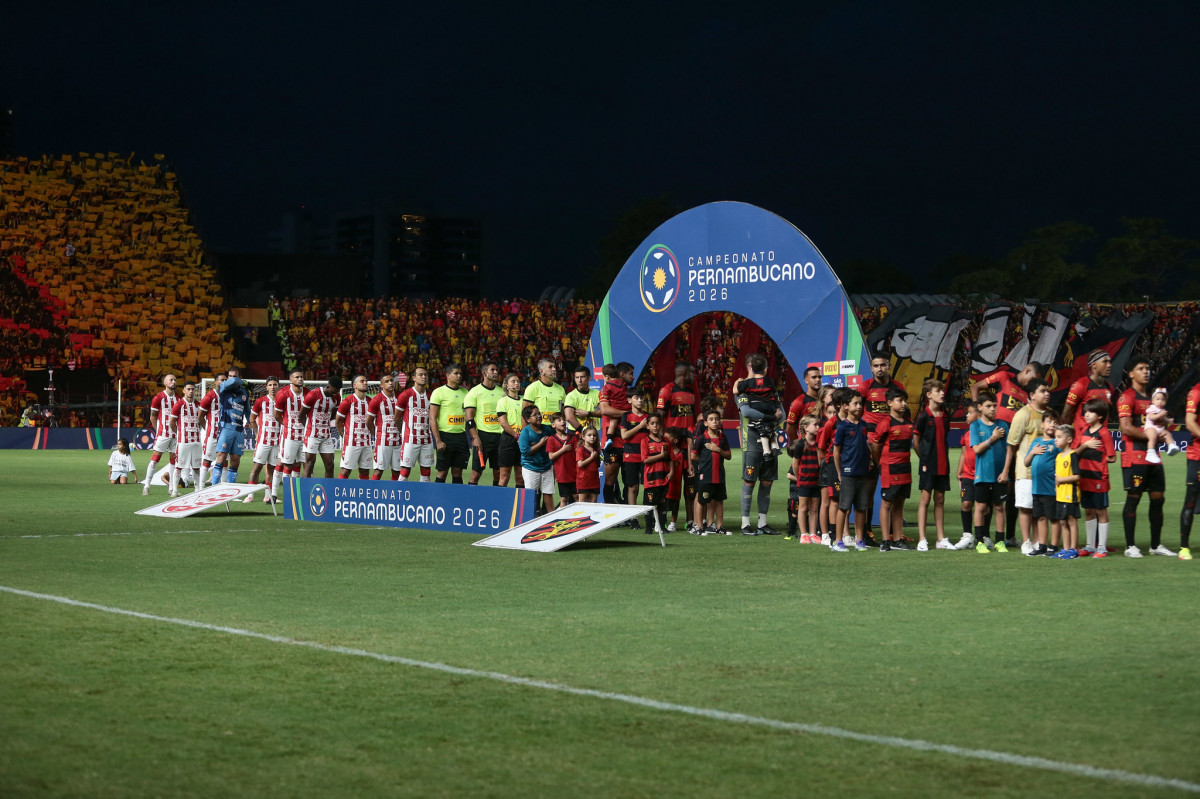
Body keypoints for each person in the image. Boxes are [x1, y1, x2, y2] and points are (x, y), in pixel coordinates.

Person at [1117, 360, 1175, 557]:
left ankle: (1156, 545)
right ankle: (1130, 546)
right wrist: (1154, 436)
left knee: (1158, 499)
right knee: (1134, 498)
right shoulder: (1127, 397)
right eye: (1140, 369)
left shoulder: (1152, 399)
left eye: (1148, 368)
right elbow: (1126, 427)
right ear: (1131, 374)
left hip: (1154, 457)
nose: (1146, 372)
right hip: (1135, 457)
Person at [732, 354, 782, 535]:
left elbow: (781, 412)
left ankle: (762, 523)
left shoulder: (767, 388)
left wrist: (773, 421)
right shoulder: (743, 389)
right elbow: (746, 412)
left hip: (768, 437)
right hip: (752, 443)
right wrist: (771, 418)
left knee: (767, 482)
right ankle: (745, 524)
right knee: (749, 481)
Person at [859, 355, 906, 537]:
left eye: (883, 365)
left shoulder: (897, 387)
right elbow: (856, 409)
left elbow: (904, 412)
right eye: (876, 366)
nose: (880, 368)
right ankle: (868, 529)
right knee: (870, 485)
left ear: (889, 366)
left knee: (895, 486)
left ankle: (895, 532)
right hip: (871, 442)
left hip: (892, 442)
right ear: (871, 368)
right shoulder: (866, 387)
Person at [1007, 379, 1052, 555]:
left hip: (1045, 473)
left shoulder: (1050, 415)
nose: (1047, 393)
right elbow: (1012, 443)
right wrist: (1009, 469)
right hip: (1025, 470)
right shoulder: (1023, 414)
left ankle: (1037, 542)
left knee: (1039, 508)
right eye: (1042, 391)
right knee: (1026, 507)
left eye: (1048, 391)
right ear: (1032, 395)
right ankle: (1026, 541)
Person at [869, 387, 914, 552]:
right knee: (887, 504)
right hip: (890, 468)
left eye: (904, 400)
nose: (903, 404)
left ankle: (897, 539)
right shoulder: (885, 423)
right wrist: (879, 463)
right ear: (889, 403)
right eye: (899, 400)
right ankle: (885, 541)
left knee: (900, 504)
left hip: (905, 468)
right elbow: (875, 446)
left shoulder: (909, 422)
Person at [657, 361, 699, 528]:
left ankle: (690, 521)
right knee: (671, 488)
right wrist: (663, 440)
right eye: (692, 373)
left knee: (690, 486)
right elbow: (659, 415)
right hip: (672, 446)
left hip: (687, 447)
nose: (693, 376)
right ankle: (665, 521)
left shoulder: (690, 393)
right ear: (684, 373)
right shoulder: (667, 390)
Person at [969, 391, 1012, 553]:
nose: (993, 409)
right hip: (982, 474)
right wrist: (993, 438)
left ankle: (1000, 541)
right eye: (988, 406)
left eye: (994, 406)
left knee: (999, 507)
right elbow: (977, 449)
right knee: (980, 507)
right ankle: (980, 541)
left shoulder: (1003, 425)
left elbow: (1009, 451)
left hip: (999, 475)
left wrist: (1006, 471)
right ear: (980, 407)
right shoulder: (975, 426)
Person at [915, 379, 953, 551]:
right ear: (929, 394)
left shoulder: (946, 415)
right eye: (938, 391)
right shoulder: (923, 416)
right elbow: (916, 440)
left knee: (940, 499)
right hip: (928, 464)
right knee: (925, 499)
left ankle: (940, 539)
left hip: (943, 463)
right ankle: (922, 539)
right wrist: (924, 458)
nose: (942, 393)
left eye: (942, 390)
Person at [833, 390, 872, 551]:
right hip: (848, 473)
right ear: (845, 406)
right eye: (855, 404)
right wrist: (839, 472)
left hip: (863, 472)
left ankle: (860, 540)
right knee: (844, 507)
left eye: (860, 403)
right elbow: (836, 451)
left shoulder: (863, 425)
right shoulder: (842, 426)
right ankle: (838, 541)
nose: (858, 406)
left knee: (861, 507)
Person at [1077, 398, 1116, 558]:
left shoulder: (1104, 433)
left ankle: (1102, 548)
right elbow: (1076, 453)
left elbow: (1112, 457)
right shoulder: (1084, 431)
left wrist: (1099, 459)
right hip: (1084, 478)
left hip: (1099, 478)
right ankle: (1090, 546)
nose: (1086, 415)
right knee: (1088, 511)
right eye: (1085, 411)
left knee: (1101, 511)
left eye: (1090, 412)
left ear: (1099, 415)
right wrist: (1085, 447)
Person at [1024, 413, 1062, 557]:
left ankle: (1053, 545)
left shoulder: (1056, 443)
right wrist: (1033, 452)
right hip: (1036, 487)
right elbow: (1026, 462)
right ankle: (1042, 545)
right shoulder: (1036, 442)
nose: (1052, 424)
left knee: (1053, 518)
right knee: (1040, 517)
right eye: (1049, 421)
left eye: (1054, 422)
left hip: (1050, 487)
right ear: (1042, 425)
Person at [464, 361, 505, 485]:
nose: (496, 372)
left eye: (496, 370)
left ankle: (496, 500)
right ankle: (471, 500)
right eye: (492, 370)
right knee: (476, 473)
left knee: (499, 473)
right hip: (483, 436)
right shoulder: (474, 392)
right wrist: (474, 437)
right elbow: (469, 418)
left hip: (501, 437)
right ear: (484, 373)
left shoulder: (502, 393)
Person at [733, 354, 782, 457]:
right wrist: (772, 418)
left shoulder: (745, 385)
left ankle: (767, 451)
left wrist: (736, 382)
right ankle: (774, 446)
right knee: (769, 428)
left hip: (756, 425)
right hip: (751, 445)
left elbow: (735, 391)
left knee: (762, 427)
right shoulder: (770, 382)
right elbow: (781, 415)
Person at [692, 409, 731, 535]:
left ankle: (719, 527)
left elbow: (728, 455)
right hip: (706, 475)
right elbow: (694, 456)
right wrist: (703, 464)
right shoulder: (701, 439)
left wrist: (718, 449)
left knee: (719, 501)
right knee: (702, 501)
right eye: (711, 419)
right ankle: (699, 527)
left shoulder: (723, 438)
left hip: (719, 475)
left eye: (716, 419)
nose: (714, 422)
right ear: (705, 423)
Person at [210, 368, 251, 485]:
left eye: (235, 376)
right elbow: (232, 382)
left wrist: (254, 427)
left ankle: (230, 490)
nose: (232, 378)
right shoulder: (223, 388)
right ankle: (214, 487)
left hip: (239, 430)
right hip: (226, 427)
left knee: (235, 460)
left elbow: (248, 412)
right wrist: (243, 382)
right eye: (230, 376)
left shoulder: (244, 392)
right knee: (221, 456)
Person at [430, 363, 470, 484]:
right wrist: (438, 440)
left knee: (458, 471)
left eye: (460, 374)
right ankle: (437, 499)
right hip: (445, 436)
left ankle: (457, 500)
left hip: (461, 436)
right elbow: (433, 418)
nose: (459, 376)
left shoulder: (466, 392)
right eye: (456, 373)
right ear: (448, 375)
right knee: (443, 471)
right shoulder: (438, 392)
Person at [1062, 349, 1116, 439]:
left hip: (1101, 442)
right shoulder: (1080, 385)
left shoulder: (1109, 388)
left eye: (1109, 362)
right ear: (1094, 365)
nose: (1109, 365)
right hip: (1082, 441)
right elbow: (1066, 416)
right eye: (1105, 362)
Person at [243, 377, 281, 501]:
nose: (273, 387)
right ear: (266, 387)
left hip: (276, 442)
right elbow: (252, 418)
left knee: (271, 469)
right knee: (256, 468)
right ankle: (250, 495)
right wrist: (257, 432)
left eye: (275, 384)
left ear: (278, 386)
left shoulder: (283, 401)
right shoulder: (260, 401)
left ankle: (267, 496)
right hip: (263, 441)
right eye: (270, 385)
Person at [786, 415, 821, 542]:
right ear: (806, 428)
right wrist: (799, 477)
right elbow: (795, 464)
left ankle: (813, 534)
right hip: (805, 481)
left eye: (818, 425)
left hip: (816, 481)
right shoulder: (800, 444)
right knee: (803, 507)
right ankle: (804, 534)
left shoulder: (818, 443)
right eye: (815, 425)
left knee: (814, 508)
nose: (818, 427)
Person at [141, 373, 178, 496]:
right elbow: (153, 417)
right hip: (162, 434)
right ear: (165, 383)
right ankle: (146, 486)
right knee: (155, 459)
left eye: (175, 380)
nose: (173, 382)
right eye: (171, 380)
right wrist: (158, 431)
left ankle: (171, 488)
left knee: (173, 461)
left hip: (175, 435)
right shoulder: (158, 398)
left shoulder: (178, 399)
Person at [272, 369, 306, 498]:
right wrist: (287, 425)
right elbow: (276, 415)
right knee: (285, 462)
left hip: (304, 435)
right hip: (289, 434)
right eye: (297, 377)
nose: (300, 379)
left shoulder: (307, 393)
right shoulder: (283, 394)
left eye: (301, 377)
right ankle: (276, 494)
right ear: (291, 380)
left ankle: (295, 493)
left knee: (300, 463)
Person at [395, 367, 434, 482]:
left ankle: (424, 496)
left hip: (427, 439)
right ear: (413, 378)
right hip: (410, 439)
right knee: (405, 471)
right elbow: (397, 417)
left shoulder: (431, 395)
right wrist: (403, 432)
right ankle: (400, 496)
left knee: (426, 472)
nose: (424, 377)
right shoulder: (406, 395)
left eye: (425, 375)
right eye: (420, 374)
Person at [299, 376, 341, 478]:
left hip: (326, 435)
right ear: (328, 387)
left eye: (336, 392)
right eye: (333, 392)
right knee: (309, 464)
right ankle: (306, 492)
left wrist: (324, 423)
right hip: (312, 434)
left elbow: (333, 414)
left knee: (330, 465)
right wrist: (308, 428)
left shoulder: (337, 397)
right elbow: (301, 414)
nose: (334, 394)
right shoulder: (313, 395)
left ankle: (328, 491)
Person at [619, 391, 650, 526]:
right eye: (636, 397)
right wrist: (640, 426)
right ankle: (634, 518)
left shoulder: (648, 417)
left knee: (648, 486)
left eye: (641, 397)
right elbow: (624, 436)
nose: (640, 400)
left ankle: (650, 515)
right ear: (629, 400)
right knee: (632, 486)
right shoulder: (626, 416)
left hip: (647, 456)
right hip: (630, 455)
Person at [1051, 425, 1082, 558]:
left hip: (1071, 494)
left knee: (1071, 521)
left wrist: (1061, 480)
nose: (1055, 440)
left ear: (1069, 439)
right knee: (1062, 521)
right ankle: (1066, 548)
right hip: (1060, 494)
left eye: (1059, 437)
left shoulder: (1072, 455)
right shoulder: (1058, 456)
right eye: (1055, 437)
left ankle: (1073, 549)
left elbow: (1077, 476)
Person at [169, 381, 204, 498]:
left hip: (196, 442)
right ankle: (174, 490)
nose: (191, 391)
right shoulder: (179, 405)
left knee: (196, 467)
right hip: (183, 442)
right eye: (188, 389)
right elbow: (172, 423)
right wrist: (179, 433)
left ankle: (197, 489)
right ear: (183, 390)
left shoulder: (199, 405)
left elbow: (202, 421)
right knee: (178, 466)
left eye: (193, 389)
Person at [518, 405, 555, 513]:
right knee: (531, 494)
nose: (539, 416)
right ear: (528, 419)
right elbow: (525, 452)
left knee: (548, 493)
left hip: (546, 467)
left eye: (539, 413)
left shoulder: (547, 429)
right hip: (530, 468)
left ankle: (551, 517)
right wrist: (540, 444)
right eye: (535, 415)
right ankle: (529, 517)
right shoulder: (525, 432)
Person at [641, 412, 673, 535]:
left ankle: (662, 527)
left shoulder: (666, 442)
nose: (655, 426)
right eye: (652, 423)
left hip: (664, 477)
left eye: (658, 423)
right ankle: (648, 528)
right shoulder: (645, 441)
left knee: (662, 503)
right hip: (651, 478)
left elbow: (670, 458)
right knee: (649, 504)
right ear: (647, 426)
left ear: (661, 425)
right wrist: (660, 456)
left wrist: (671, 472)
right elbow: (645, 460)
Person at [336, 374, 373, 479]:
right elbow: (338, 421)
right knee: (346, 470)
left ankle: (363, 494)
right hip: (352, 441)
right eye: (362, 381)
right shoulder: (348, 401)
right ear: (355, 385)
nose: (365, 383)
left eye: (366, 381)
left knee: (365, 470)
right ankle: (338, 493)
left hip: (366, 442)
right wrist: (345, 436)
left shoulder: (370, 401)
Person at [1179, 379, 1200, 561]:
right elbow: (1190, 422)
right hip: (1198, 455)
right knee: (1191, 500)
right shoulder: (1196, 391)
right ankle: (1184, 548)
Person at [367, 372, 401, 480]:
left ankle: (395, 494)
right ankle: (372, 495)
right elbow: (369, 421)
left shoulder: (400, 397)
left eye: (391, 380)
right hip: (383, 441)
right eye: (387, 381)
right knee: (378, 471)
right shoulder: (376, 400)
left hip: (399, 440)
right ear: (381, 385)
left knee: (397, 471)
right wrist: (377, 434)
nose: (390, 383)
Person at [955, 401, 980, 549]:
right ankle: (967, 535)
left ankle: (983, 536)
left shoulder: (984, 433)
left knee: (984, 507)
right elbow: (964, 453)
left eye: (970, 412)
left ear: (979, 414)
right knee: (966, 503)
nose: (967, 415)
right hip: (968, 475)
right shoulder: (966, 435)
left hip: (982, 475)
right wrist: (959, 472)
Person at [494, 372, 525, 488]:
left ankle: (519, 505)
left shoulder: (524, 401)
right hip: (508, 439)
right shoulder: (502, 401)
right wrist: (516, 436)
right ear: (506, 385)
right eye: (513, 381)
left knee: (520, 478)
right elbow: (503, 423)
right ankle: (500, 505)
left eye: (518, 381)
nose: (516, 383)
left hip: (523, 439)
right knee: (504, 477)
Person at [196, 371, 223, 489]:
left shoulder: (228, 396)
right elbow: (200, 416)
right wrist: (207, 429)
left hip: (224, 434)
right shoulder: (209, 396)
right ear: (216, 382)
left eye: (226, 380)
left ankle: (224, 487)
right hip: (212, 434)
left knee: (224, 462)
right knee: (207, 460)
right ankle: (201, 488)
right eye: (222, 380)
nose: (224, 382)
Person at [545, 412, 578, 507]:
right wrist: (563, 450)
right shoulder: (551, 439)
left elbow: (578, 453)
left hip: (574, 473)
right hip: (562, 475)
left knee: (576, 497)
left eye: (564, 420)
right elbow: (551, 456)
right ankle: (562, 519)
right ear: (553, 425)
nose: (563, 422)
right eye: (559, 420)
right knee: (564, 498)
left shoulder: (573, 438)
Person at [663, 426, 692, 532]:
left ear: (675, 440)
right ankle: (662, 522)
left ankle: (673, 523)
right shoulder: (664, 453)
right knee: (664, 504)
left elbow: (685, 468)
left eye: (667, 438)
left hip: (676, 486)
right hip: (665, 484)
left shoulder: (681, 454)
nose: (665, 440)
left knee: (675, 505)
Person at [784, 366, 824, 442]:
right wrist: (797, 444)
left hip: (823, 444)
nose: (818, 380)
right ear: (806, 380)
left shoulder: (825, 399)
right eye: (814, 377)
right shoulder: (799, 402)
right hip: (806, 446)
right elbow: (790, 427)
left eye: (819, 377)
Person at [1142, 387, 1181, 463]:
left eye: (1162, 400)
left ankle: (1171, 446)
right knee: (1152, 436)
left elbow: (1164, 420)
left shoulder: (1162, 410)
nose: (1160, 401)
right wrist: (1160, 415)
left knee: (1167, 433)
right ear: (1152, 401)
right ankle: (1150, 452)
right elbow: (1152, 417)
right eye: (1158, 399)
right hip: (1150, 428)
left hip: (1160, 429)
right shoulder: (1152, 408)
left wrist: (1168, 420)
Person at [565, 364, 602, 433]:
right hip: (576, 432)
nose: (579, 380)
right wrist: (583, 431)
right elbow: (569, 417)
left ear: (589, 378)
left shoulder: (597, 393)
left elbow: (604, 412)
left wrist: (588, 413)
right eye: (577, 377)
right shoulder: (571, 396)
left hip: (593, 433)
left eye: (582, 377)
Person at [575, 426, 601, 503]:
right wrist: (591, 458)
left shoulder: (596, 450)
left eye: (594, 435)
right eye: (589, 435)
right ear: (583, 437)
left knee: (593, 503)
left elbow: (598, 465)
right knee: (582, 504)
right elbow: (580, 464)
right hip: (583, 481)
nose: (592, 437)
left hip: (594, 481)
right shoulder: (580, 449)